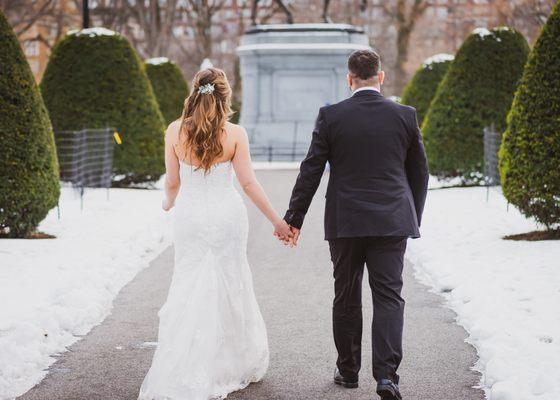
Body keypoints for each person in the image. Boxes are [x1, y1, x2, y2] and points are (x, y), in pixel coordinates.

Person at [282, 49, 429, 400]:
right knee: (389, 297)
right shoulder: (404, 115)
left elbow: (311, 170)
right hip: (391, 222)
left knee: (346, 295)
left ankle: (348, 371)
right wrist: (411, 217)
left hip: (345, 221)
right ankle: (387, 376)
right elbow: (419, 173)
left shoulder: (332, 116)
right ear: (381, 76)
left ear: (349, 79)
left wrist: (294, 218)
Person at [138, 67, 293, 400]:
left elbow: (173, 181)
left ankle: (188, 357)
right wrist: (277, 222)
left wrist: (168, 202)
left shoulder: (174, 131)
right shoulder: (235, 134)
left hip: (190, 217)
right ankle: (229, 361)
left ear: (195, 92)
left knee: (188, 282)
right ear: (226, 96)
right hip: (227, 217)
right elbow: (249, 183)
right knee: (231, 280)